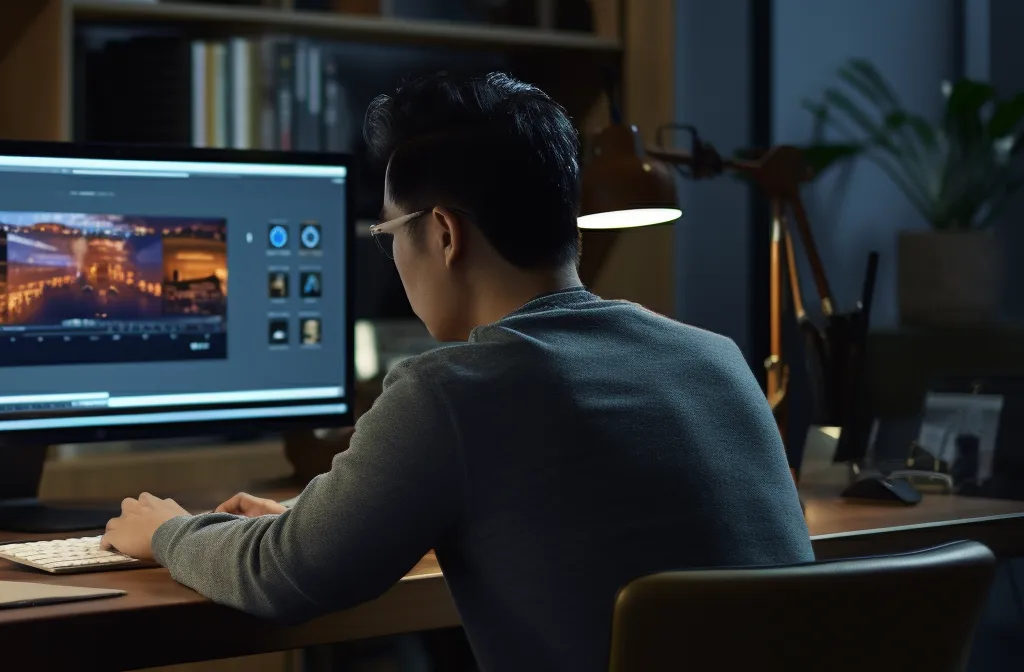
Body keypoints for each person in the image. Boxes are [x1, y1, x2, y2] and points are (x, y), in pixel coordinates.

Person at [100, 72, 813, 671]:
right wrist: (320, 517)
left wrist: (167, 531)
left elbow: (285, 576)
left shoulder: (454, 389)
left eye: (388, 235)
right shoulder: (714, 356)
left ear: (443, 233)